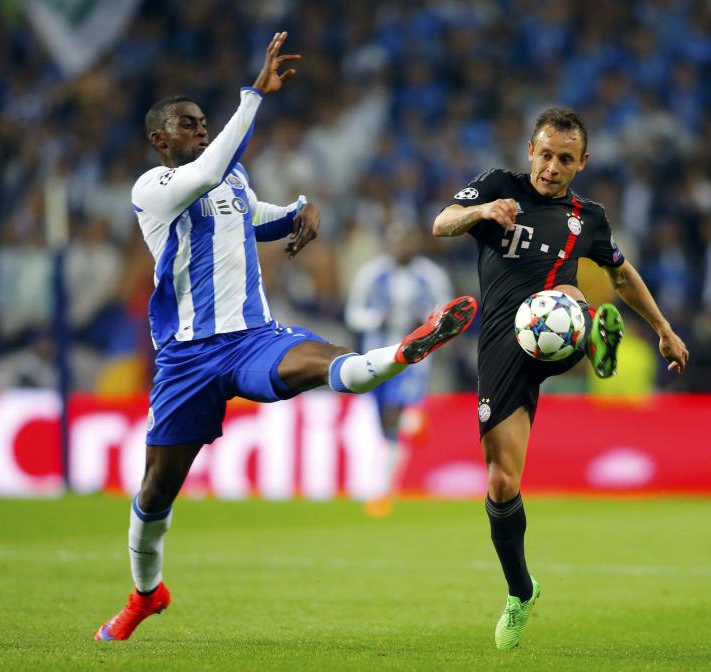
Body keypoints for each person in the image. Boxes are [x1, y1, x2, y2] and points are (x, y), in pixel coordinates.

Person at [95, 33, 477, 641]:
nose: (199, 129)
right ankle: (146, 595)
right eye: (187, 124)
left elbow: (262, 215)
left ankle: (402, 352)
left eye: (203, 122)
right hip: (186, 359)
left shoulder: (232, 179)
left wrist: (304, 210)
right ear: (159, 140)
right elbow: (210, 168)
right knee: (154, 497)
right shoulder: (154, 189)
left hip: (252, 339)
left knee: (333, 364)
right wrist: (254, 95)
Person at [432, 107, 689, 649]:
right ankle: (520, 592)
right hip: (502, 346)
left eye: (565, 159)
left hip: (553, 324)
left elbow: (620, 273)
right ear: (530, 150)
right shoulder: (499, 186)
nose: (551, 167)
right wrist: (479, 214)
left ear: (582, 163)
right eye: (545, 155)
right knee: (502, 482)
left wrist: (663, 328)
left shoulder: (587, 218)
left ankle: (594, 339)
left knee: (568, 298)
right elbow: (441, 223)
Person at [344, 223, 453, 516]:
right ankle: (412, 424)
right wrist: (376, 320)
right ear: (388, 243)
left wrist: (425, 323)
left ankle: (382, 490)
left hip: (413, 360)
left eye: (408, 238)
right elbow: (354, 314)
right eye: (397, 239)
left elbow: (446, 317)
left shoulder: (431, 275)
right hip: (377, 355)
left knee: (393, 414)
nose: (402, 245)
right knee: (383, 421)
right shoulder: (371, 273)